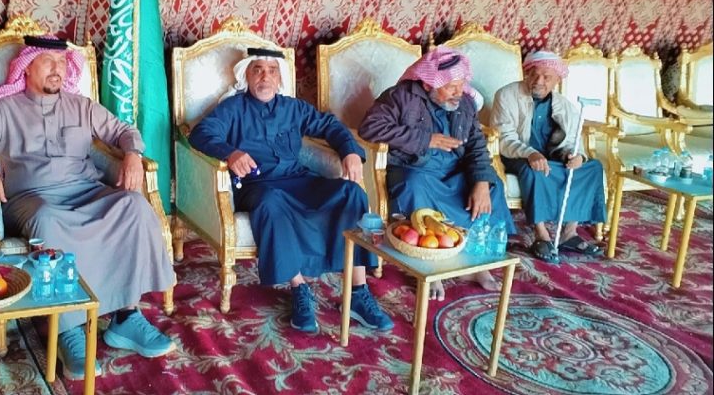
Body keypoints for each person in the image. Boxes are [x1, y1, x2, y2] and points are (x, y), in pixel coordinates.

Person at [0, 36, 176, 380]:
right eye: (48, 61)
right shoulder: (4, 109)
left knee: (134, 205)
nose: (57, 69)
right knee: (48, 221)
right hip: (33, 198)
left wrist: (133, 154)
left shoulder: (82, 106)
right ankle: (67, 330)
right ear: (26, 67)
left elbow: (123, 131)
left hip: (86, 190)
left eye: (62, 63)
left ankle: (126, 316)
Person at [188, 48, 393, 335]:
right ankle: (299, 288)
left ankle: (358, 292)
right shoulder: (233, 108)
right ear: (247, 75)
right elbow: (200, 133)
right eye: (258, 69)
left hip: (298, 180)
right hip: (259, 186)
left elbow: (330, 125)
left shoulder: (292, 108)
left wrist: (349, 151)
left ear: (279, 77)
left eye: (272, 71)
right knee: (270, 202)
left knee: (352, 193)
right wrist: (230, 153)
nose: (265, 77)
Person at [358, 46, 515, 300]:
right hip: (414, 168)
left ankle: (475, 264)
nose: (458, 92)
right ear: (429, 83)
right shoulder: (401, 96)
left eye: (461, 85)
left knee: (491, 184)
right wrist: (425, 139)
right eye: (451, 87)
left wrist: (481, 181)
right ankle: (429, 267)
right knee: (413, 185)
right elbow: (370, 127)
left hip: (454, 169)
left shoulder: (464, 102)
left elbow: (476, 146)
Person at [491, 50, 606, 263]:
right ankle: (541, 236)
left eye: (547, 77)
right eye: (534, 74)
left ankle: (569, 234)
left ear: (557, 80)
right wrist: (530, 153)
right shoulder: (506, 95)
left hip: (551, 156)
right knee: (535, 170)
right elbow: (504, 139)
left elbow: (573, 140)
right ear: (526, 73)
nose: (539, 81)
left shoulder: (565, 106)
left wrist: (577, 156)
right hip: (518, 154)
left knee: (592, 167)